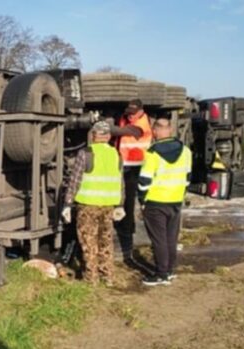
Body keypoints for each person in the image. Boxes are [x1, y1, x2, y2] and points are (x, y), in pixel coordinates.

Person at [62, 121, 126, 285]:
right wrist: (120, 205)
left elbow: (75, 180)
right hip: (108, 206)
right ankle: (108, 276)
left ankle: (92, 278)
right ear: (109, 136)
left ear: (93, 135)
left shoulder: (86, 153)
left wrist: (67, 204)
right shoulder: (116, 154)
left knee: (88, 242)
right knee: (106, 241)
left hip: (88, 206)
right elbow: (120, 181)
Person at [138, 118, 192, 286]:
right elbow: (188, 177)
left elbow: (144, 180)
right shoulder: (186, 151)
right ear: (170, 130)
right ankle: (169, 270)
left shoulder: (152, 153)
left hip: (156, 201)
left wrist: (142, 199)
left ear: (155, 131)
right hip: (175, 200)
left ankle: (161, 274)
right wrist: (181, 194)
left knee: (159, 239)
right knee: (171, 238)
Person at [110, 99, 153, 260]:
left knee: (129, 199)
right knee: (123, 197)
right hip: (124, 164)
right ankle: (124, 226)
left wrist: (103, 127)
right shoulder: (127, 117)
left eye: (133, 114)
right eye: (128, 113)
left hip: (136, 166)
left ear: (141, 112)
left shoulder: (141, 125)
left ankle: (127, 232)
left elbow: (121, 131)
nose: (130, 116)